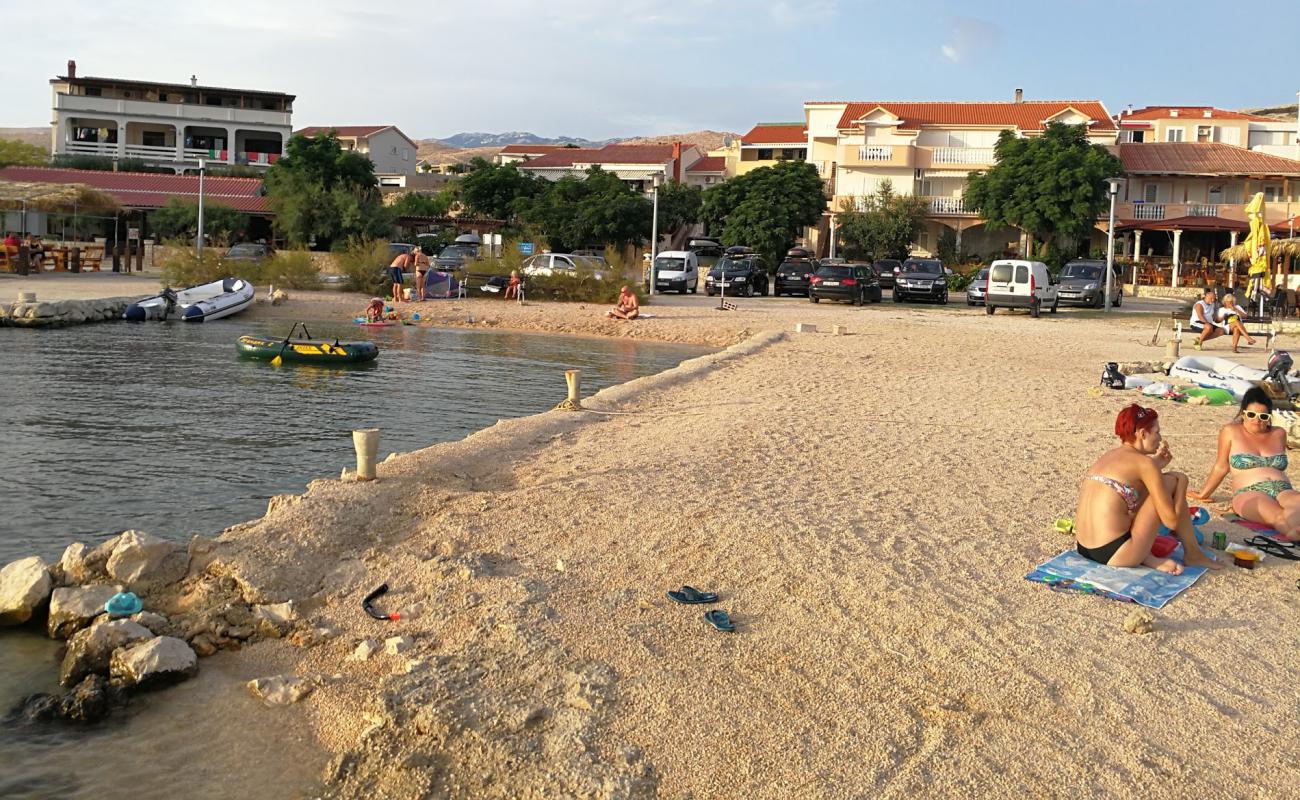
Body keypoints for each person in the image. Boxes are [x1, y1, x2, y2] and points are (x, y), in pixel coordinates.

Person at [1073, 404, 1221, 572]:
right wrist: (1181, 484)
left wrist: (1156, 465)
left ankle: (1148, 558)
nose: (1159, 438)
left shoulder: (1110, 456)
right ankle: (1193, 553)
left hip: (1085, 547)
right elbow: (1170, 521)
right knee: (1171, 481)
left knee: (1142, 493)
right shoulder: (1145, 464)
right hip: (1117, 553)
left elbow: (1131, 484)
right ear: (1143, 434)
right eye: (1157, 432)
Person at [1191, 387, 1300, 541]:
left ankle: (1295, 532)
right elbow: (1221, 466)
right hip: (1249, 491)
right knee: (1277, 517)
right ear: (1243, 414)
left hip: (1283, 488)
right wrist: (1203, 494)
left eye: (1263, 416)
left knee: (1296, 509)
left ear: (1269, 417)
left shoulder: (1278, 433)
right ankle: (1292, 534)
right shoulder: (1231, 431)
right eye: (1251, 414)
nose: (1257, 420)